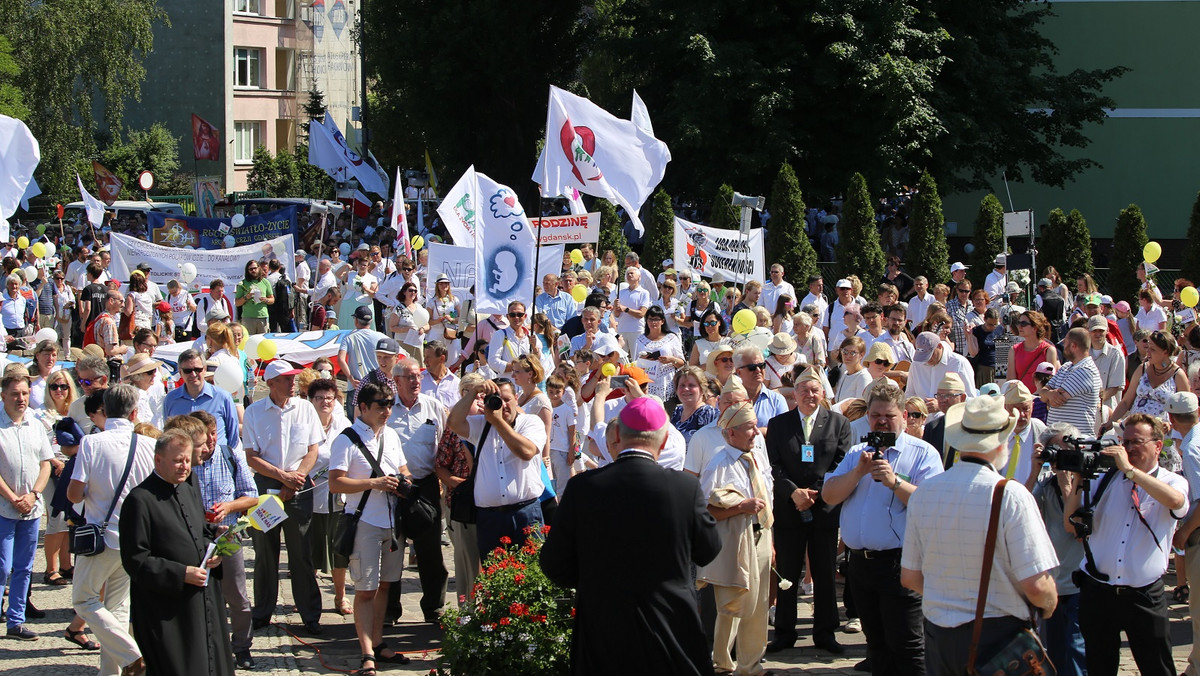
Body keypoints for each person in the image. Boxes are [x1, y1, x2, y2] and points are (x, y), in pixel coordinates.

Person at [541, 397, 721, 676]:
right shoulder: (684, 488)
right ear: (663, 443)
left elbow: (554, 564)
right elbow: (708, 549)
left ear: (616, 437)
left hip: (603, 626)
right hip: (669, 624)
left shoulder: (582, 489)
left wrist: (594, 580)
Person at [900, 395, 1059, 676]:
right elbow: (1037, 586)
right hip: (998, 638)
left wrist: (951, 599)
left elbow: (910, 578)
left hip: (939, 635)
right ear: (1001, 443)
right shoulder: (1010, 495)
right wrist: (1048, 607)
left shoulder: (924, 493)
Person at [822, 381, 945, 676]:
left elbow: (931, 505)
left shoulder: (922, 453)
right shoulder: (857, 453)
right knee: (876, 646)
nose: (881, 421)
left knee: (907, 647)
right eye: (875, 416)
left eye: (888, 416)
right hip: (860, 566)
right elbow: (829, 495)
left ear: (904, 415)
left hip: (900, 565)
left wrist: (894, 483)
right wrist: (858, 472)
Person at [1063, 413, 1188, 676]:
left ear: (1157, 446)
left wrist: (1131, 472)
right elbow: (1070, 525)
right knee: (1099, 666)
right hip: (1099, 592)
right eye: (1125, 442)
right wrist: (1077, 479)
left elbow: (1176, 502)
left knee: (1158, 667)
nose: (1127, 449)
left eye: (1136, 442)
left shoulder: (1172, 480)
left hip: (1143, 594)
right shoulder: (1104, 480)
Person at [118, 428, 235, 676]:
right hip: (167, 610)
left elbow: (197, 530)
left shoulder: (188, 486)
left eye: (187, 460)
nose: (184, 467)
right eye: (178, 461)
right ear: (158, 460)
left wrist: (214, 541)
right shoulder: (140, 500)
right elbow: (135, 560)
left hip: (202, 600)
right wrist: (181, 573)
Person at [66, 385, 157, 676]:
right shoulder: (148, 444)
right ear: (134, 413)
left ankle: (131, 654)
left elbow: (74, 494)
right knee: (116, 608)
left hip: (101, 537)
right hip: (136, 538)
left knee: (83, 599)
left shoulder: (93, 443)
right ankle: (112, 672)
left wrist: (92, 493)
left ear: (105, 411)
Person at [765, 367, 852, 654]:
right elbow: (773, 464)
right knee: (788, 571)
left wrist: (814, 492)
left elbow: (841, 462)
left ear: (823, 393)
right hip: (789, 510)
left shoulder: (838, 423)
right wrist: (793, 492)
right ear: (795, 395)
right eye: (803, 390)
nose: (809, 395)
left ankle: (826, 632)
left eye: (814, 390)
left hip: (824, 507)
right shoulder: (779, 424)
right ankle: (784, 632)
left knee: (825, 572)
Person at [329, 382, 413, 674]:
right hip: (363, 520)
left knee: (386, 585)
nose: (387, 410)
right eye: (381, 405)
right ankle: (366, 653)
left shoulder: (391, 435)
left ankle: (377, 643)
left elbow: (404, 470)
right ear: (363, 407)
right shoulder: (346, 439)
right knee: (366, 589)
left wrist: (404, 483)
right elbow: (335, 483)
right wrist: (374, 483)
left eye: (389, 404)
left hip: (392, 521)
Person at [241, 360, 324, 633]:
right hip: (266, 487)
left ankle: (310, 614)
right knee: (265, 553)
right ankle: (263, 611)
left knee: (301, 553)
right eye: (286, 379)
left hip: (299, 484)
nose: (292, 383)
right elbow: (252, 457)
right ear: (271, 383)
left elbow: (313, 448)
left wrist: (295, 477)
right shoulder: (254, 412)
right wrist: (281, 477)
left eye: (293, 378)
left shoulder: (304, 409)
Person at [695, 401, 774, 675]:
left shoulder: (756, 457)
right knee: (733, 602)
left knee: (759, 602)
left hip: (761, 534)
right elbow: (704, 510)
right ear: (731, 434)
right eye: (749, 428)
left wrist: (770, 540)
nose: (755, 433)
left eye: (755, 427)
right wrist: (740, 508)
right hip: (732, 538)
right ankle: (722, 663)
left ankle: (751, 665)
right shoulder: (719, 463)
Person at [183, 410, 259, 670]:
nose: (211, 441)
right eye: (206, 437)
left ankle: (242, 647)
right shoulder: (186, 462)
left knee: (237, 595)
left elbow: (252, 496)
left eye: (214, 433)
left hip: (228, 536)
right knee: (197, 594)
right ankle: (203, 646)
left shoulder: (230, 455)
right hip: (194, 539)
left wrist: (229, 507)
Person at [447, 377, 547, 553]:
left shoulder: (531, 422)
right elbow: (453, 423)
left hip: (525, 513)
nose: (502, 405)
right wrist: (472, 392)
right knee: (493, 576)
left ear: (517, 398)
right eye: (497, 400)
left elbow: (526, 452)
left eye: (507, 399)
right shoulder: (481, 425)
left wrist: (498, 422)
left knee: (530, 574)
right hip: (490, 517)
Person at [385, 359, 449, 623]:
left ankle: (434, 607)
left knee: (431, 551)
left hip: (426, 486)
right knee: (392, 551)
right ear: (396, 381)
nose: (415, 381)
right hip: (391, 488)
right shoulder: (387, 409)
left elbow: (445, 444)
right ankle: (389, 611)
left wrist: (444, 482)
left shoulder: (433, 407)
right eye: (409, 377)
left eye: (418, 376)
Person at [1031, 422, 1088, 676]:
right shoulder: (1045, 483)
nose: (1059, 456)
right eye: (1054, 451)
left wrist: (1067, 484)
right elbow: (1018, 511)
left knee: (1076, 651)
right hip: (1052, 584)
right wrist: (1035, 469)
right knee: (1053, 653)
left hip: (1079, 582)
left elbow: (1074, 527)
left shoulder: (1087, 482)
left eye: (1065, 449)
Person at [0, 374, 52, 640]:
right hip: (4, 507)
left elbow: (46, 462)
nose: (20, 399)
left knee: (24, 566)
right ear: (3, 396)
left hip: (31, 507)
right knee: (2, 565)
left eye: (24, 393)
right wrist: (12, 498)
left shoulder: (35, 423)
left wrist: (33, 494)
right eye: (15, 394)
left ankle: (16, 620)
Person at [435, 374, 486, 607]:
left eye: (481, 392)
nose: (477, 397)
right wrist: (458, 483)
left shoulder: (492, 421)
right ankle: (468, 612)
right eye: (470, 392)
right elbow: (440, 465)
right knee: (466, 561)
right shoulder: (454, 428)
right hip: (461, 502)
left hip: (487, 501)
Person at [162, 349, 241, 450]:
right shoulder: (171, 399)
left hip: (216, 459)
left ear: (204, 369)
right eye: (188, 371)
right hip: (186, 461)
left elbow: (233, 436)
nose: (193, 374)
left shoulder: (223, 397)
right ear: (180, 372)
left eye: (197, 370)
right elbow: (168, 434)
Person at [1040, 328, 1103, 438]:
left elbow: (1056, 401)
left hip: (1076, 440)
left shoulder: (1086, 371)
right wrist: (1049, 394)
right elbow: (1042, 394)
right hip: (1058, 439)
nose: (1063, 346)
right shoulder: (1066, 367)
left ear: (1073, 346)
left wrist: (1049, 395)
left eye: (1065, 343)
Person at [905, 331, 978, 402]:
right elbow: (909, 395)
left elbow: (970, 400)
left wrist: (941, 406)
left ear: (939, 346)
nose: (927, 360)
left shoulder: (959, 363)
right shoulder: (916, 363)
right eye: (923, 356)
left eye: (930, 354)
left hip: (949, 413)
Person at [337, 306, 389, 391]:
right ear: (371, 321)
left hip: (357, 385)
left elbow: (341, 359)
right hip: (378, 385)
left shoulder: (349, 338)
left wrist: (351, 379)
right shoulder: (382, 337)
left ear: (356, 320)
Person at [488, 301, 533, 376]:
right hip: (509, 384)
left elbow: (540, 361)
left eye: (520, 314)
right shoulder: (499, 335)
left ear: (525, 316)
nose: (516, 318)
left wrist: (535, 348)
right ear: (508, 316)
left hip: (527, 384)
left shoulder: (531, 336)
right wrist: (517, 367)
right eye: (512, 315)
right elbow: (493, 362)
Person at [614, 266, 651, 351]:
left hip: (636, 330)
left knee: (636, 357)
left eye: (632, 273)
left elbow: (641, 313)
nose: (629, 275)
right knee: (621, 358)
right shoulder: (621, 292)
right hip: (622, 329)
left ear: (639, 277)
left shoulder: (644, 293)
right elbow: (617, 314)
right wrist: (616, 308)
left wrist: (626, 309)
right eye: (627, 274)